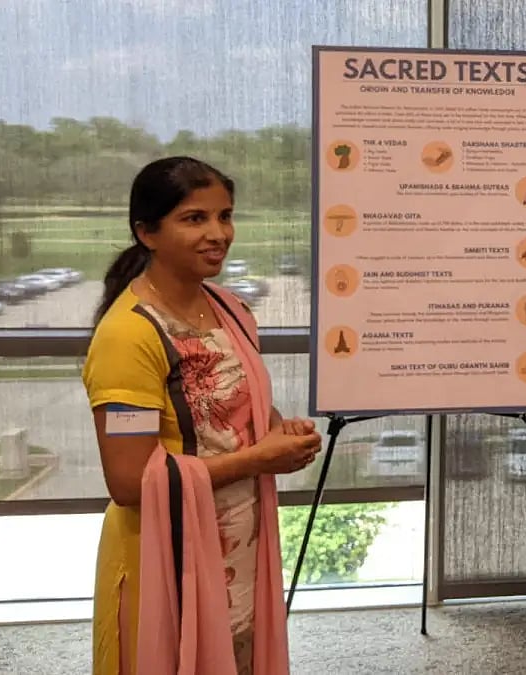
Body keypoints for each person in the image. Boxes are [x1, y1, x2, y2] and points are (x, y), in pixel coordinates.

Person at [82, 156, 322, 675]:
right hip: (165, 554)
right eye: (194, 219)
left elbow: (236, 406)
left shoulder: (230, 307)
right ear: (146, 232)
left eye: (225, 216)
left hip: (238, 540)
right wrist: (260, 458)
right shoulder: (128, 335)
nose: (218, 234)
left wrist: (279, 429)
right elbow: (129, 481)